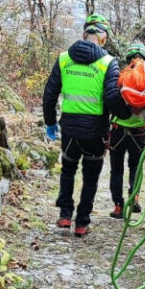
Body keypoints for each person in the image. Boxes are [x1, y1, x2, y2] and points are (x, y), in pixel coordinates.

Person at [43, 14, 131, 237]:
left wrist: (50, 123)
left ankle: (65, 215)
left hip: (69, 129)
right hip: (95, 132)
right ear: (104, 37)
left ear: (84, 34)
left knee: (68, 170)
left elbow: (50, 94)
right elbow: (112, 97)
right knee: (90, 177)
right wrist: (127, 114)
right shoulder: (108, 62)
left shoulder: (64, 59)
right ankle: (82, 222)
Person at [109, 43, 145, 219]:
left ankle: (118, 206)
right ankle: (134, 199)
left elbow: (111, 98)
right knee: (136, 167)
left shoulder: (121, 75)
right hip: (139, 130)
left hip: (118, 129)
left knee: (116, 169)